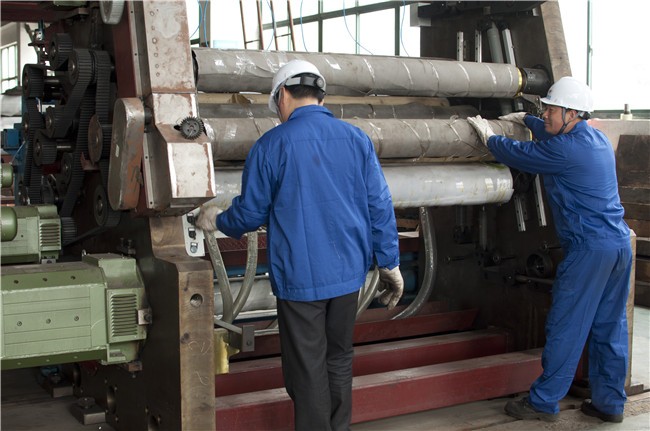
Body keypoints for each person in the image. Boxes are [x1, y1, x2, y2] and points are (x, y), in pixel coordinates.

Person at [196, 59, 404, 431]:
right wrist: (389, 262)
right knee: (338, 358)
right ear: (319, 95)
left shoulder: (271, 145)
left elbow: (250, 214)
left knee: (307, 369)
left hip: (301, 278)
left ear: (283, 95)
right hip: (348, 275)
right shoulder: (356, 139)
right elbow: (379, 204)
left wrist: (216, 219)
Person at [467, 76, 632, 423]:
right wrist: (526, 120)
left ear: (572, 113)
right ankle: (610, 404)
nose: (545, 114)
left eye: (551, 109)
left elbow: (521, 154)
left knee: (567, 325)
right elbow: (549, 133)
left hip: (589, 250)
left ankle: (543, 402)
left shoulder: (565, 151)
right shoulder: (595, 139)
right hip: (617, 246)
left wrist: (490, 137)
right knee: (609, 326)